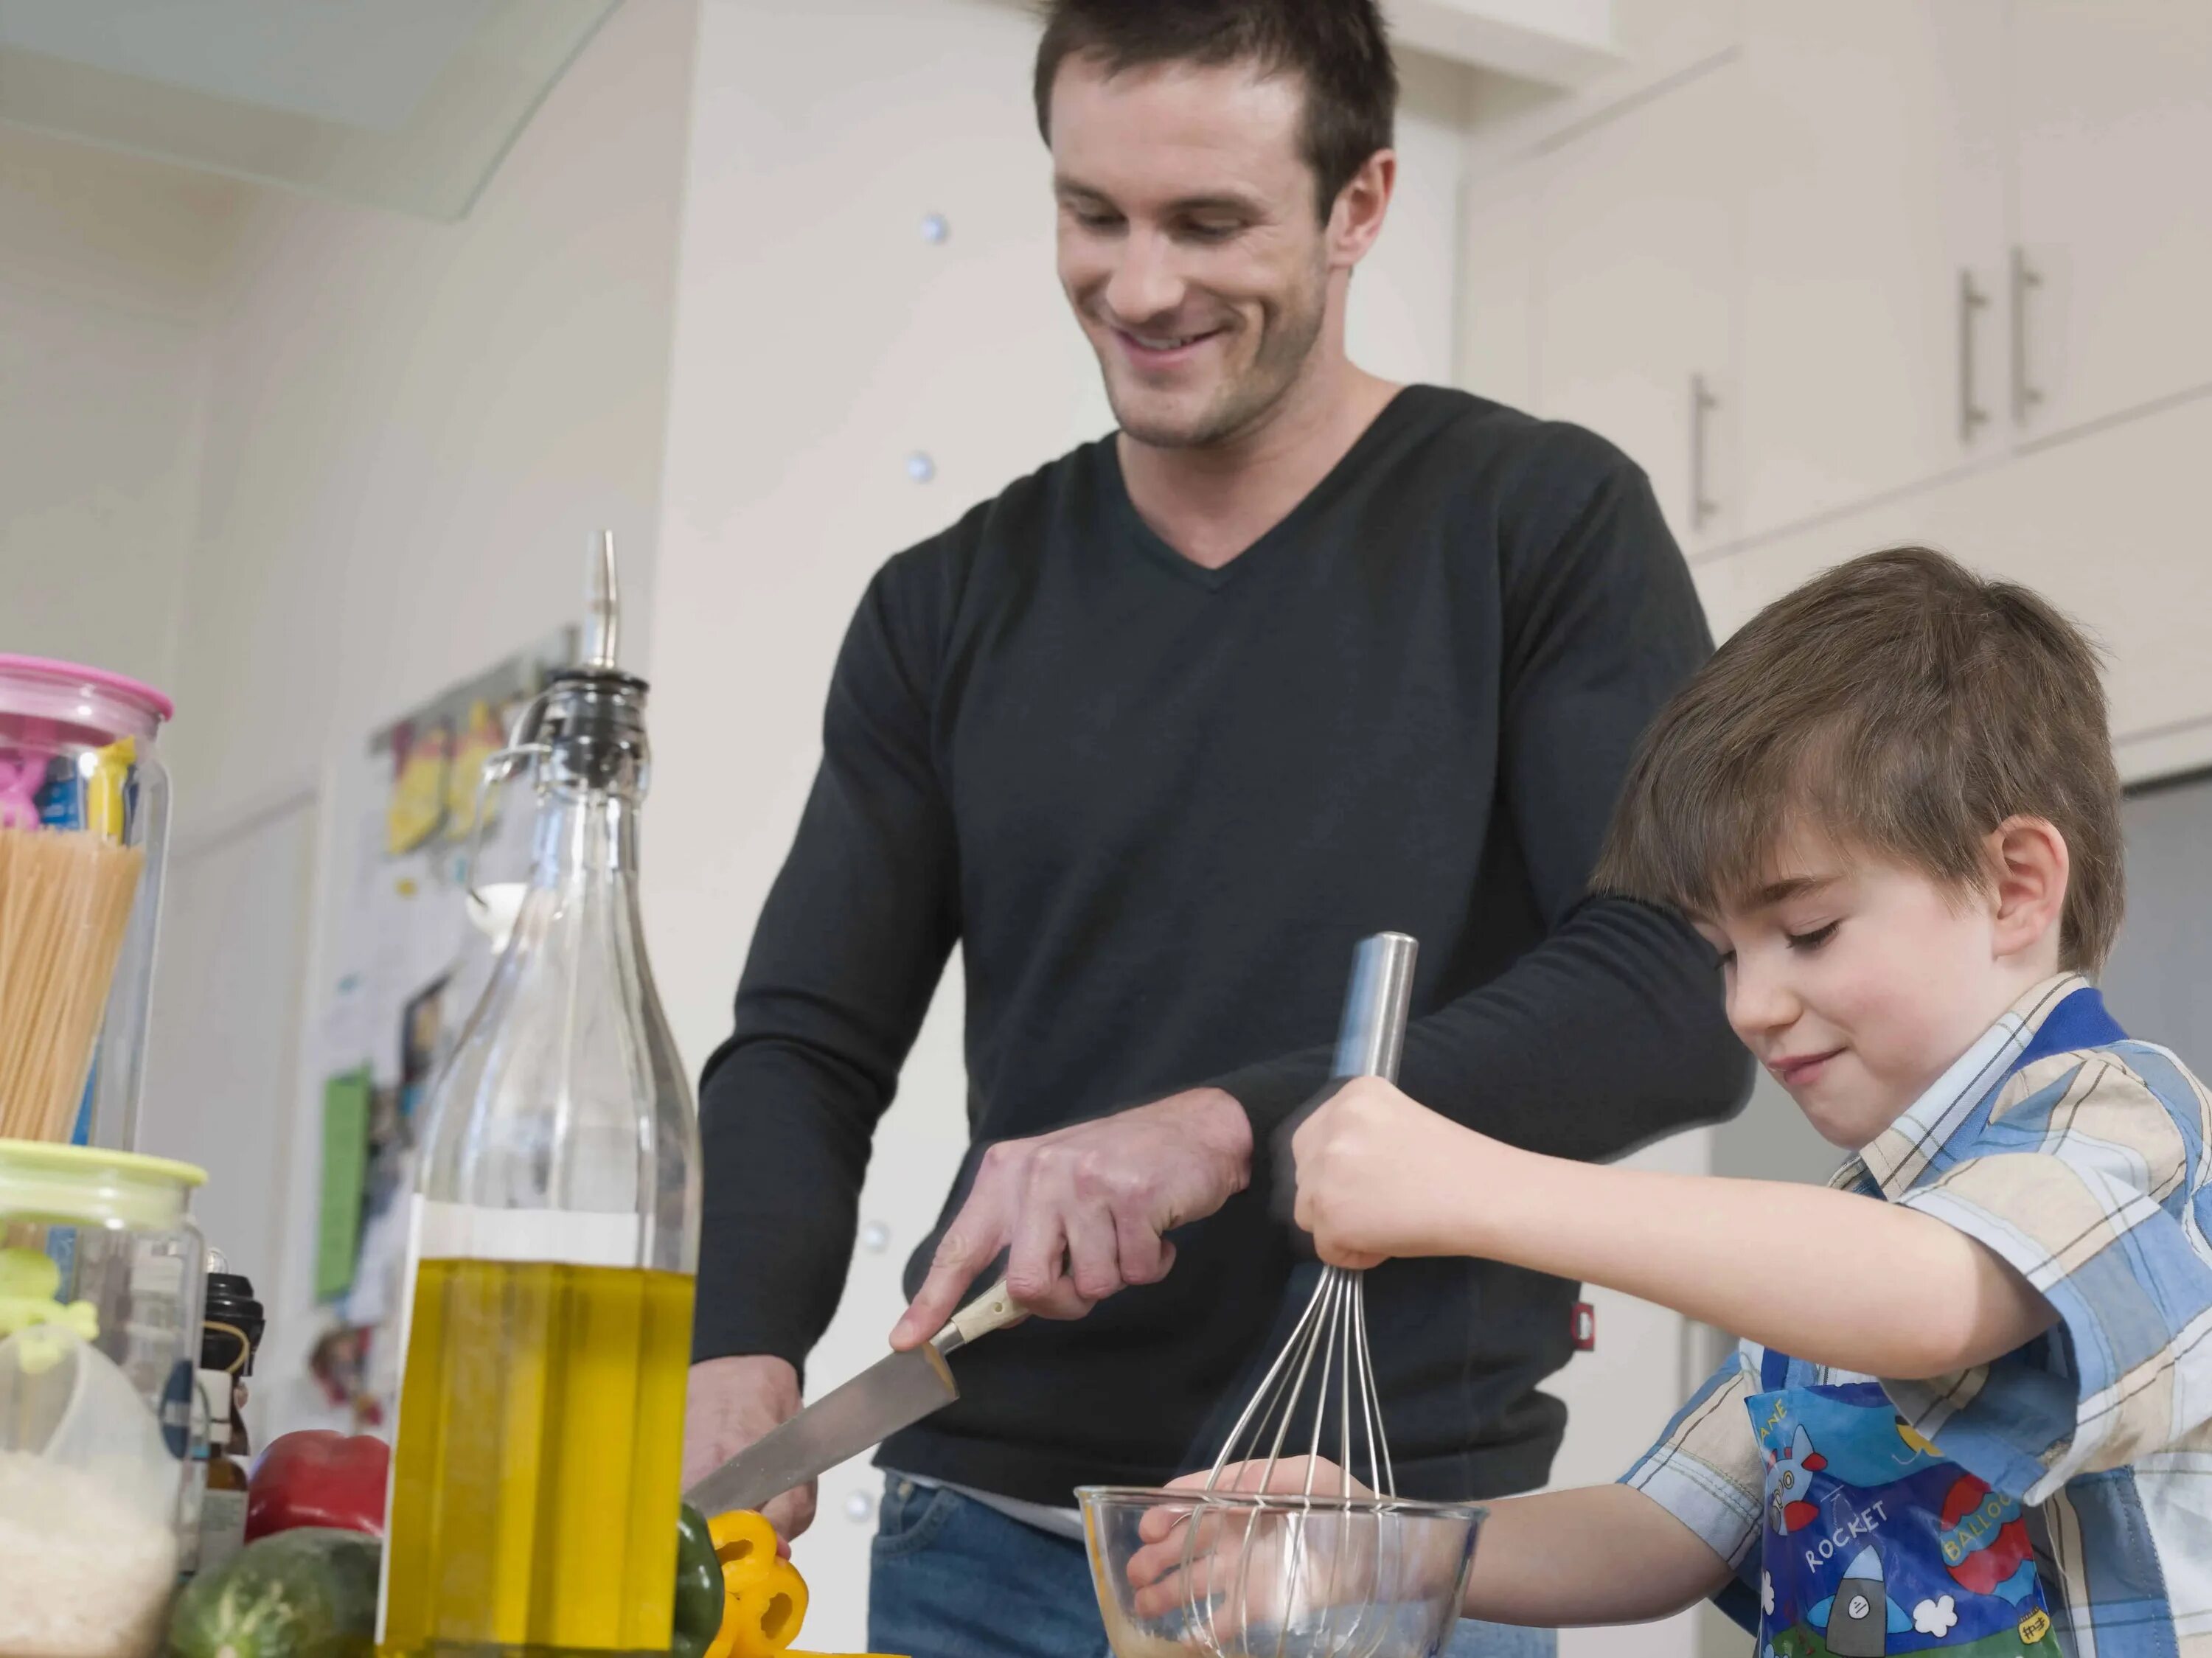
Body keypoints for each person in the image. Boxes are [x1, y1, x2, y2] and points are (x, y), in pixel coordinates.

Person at [683, 3, 1748, 1654]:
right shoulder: (945, 604)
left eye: (1210, 223)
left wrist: (1225, 1128)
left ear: (1360, 205)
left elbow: (1676, 993)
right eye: (1092, 214)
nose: (1142, 286)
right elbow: (807, 1045)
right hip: (982, 1548)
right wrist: (738, 1341)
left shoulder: (1538, 524)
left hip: (1378, 1550)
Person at [1183, 547, 2212, 1651]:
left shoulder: (2124, 1128)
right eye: (1726, 952)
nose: (1752, 1004)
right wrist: (1380, 1545)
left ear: (2014, 886)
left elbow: (1937, 1294)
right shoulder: (1847, 1233)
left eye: (1806, 929)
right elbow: (1663, 1527)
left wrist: (1467, 1182)